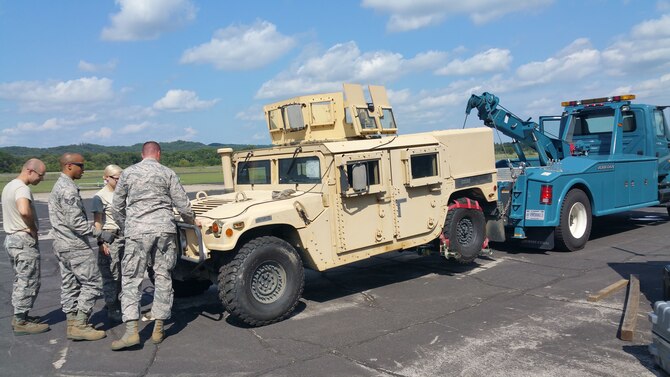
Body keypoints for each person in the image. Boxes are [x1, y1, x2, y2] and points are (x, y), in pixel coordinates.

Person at [111, 141, 199, 350]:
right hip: (164, 232)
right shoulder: (167, 173)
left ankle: (132, 332)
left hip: (137, 232)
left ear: (142, 154)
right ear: (158, 154)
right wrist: (193, 221)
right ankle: (159, 327)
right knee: (162, 276)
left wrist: (129, 227)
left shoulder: (128, 173)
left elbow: (116, 208)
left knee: (132, 280)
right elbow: (183, 205)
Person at [48, 153, 114, 341]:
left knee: (70, 284)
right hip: (74, 245)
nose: (83, 169)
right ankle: (80, 324)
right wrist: (100, 233)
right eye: (81, 166)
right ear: (69, 166)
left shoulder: (60, 185)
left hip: (62, 244)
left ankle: (72, 322)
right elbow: (75, 223)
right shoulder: (67, 189)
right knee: (92, 283)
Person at [2, 158, 50, 336]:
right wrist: (32, 228)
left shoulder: (9, 186)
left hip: (11, 239)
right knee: (28, 281)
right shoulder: (22, 188)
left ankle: (22, 315)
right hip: (23, 239)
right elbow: (23, 210)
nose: (41, 179)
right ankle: (20, 321)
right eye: (40, 175)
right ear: (30, 171)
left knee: (21, 279)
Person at [92, 164, 124, 323]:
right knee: (111, 275)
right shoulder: (100, 196)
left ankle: (118, 302)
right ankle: (112, 306)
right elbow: (97, 222)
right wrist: (101, 241)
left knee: (124, 273)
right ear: (107, 178)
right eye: (117, 178)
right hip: (110, 237)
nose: (120, 181)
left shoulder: (124, 193)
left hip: (125, 237)